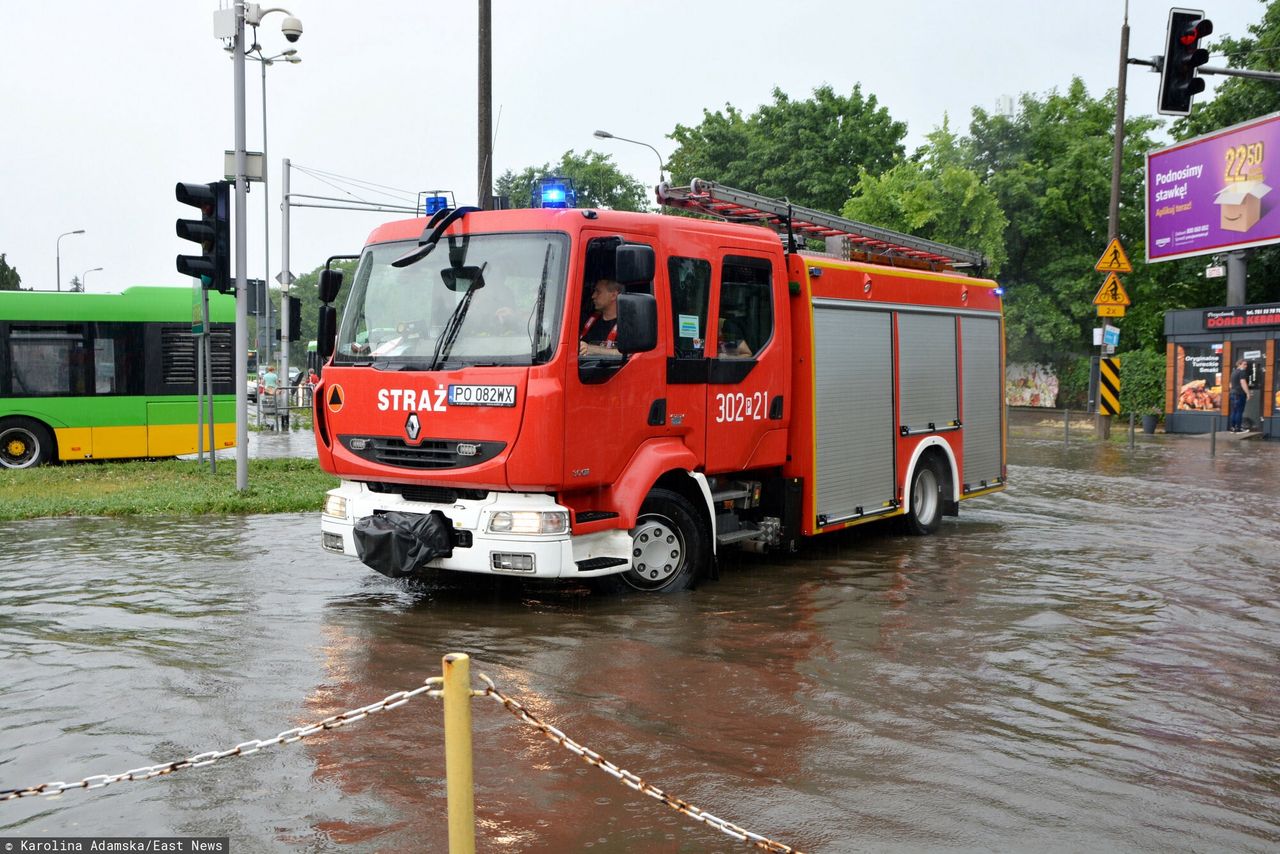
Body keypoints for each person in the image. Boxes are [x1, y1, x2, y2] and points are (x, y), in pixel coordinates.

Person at [579, 278, 623, 356]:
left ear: (613, 295)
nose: (593, 296)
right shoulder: (587, 320)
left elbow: (631, 354)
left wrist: (591, 349)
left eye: (598, 292)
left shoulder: (627, 325)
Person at [1228, 358, 1250, 432]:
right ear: (1239, 364)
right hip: (1239, 394)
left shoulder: (1233, 372)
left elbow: (1230, 385)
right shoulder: (1242, 372)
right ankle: (1238, 428)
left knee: (1234, 411)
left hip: (1232, 393)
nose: (1246, 366)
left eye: (1246, 364)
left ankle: (1233, 427)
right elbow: (1243, 383)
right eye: (1244, 364)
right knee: (1239, 411)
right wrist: (1248, 393)